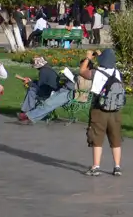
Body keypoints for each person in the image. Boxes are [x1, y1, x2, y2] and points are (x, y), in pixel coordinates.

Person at [80, 48, 125, 176]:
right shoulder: (117, 72)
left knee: (97, 137)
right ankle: (117, 167)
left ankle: (96, 167)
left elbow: (82, 71)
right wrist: (102, 55)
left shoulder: (95, 72)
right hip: (115, 110)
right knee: (115, 138)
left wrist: (88, 58)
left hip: (99, 109)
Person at [17, 56, 73, 123]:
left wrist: (29, 83)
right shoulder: (48, 69)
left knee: (32, 90)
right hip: (52, 89)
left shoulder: (43, 71)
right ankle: (27, 111)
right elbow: (42, 83)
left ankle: (26, 111)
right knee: (32, 89)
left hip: (49, 92)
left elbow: (39, 86)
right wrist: (31, 81)